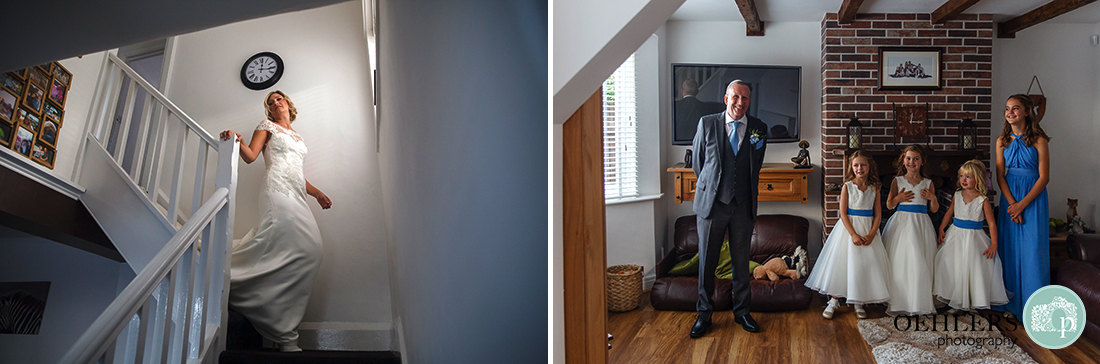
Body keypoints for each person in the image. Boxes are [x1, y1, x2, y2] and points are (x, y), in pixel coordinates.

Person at [220, 90, 332, 352]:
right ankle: (284, 334)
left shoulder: (298, 136)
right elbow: (250, 156)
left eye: (278, 99)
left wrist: (317, 194)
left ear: (288, 104)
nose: (275, 103)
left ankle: (277, 319)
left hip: (296, 192)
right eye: (270, 103)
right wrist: (238, 140)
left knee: (311, 250)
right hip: (276, 190)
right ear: (269, 111)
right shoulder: (266, 126)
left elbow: (296, 172)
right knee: (288, 241)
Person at [689, 80, 767, 338]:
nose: (740, 102)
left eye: (745, 98)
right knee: (707, 263)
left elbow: (755, 164)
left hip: (743, 206)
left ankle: (742, 312)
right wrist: (714, 189)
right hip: (712, 206)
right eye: (736, 97)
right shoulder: (707, 123)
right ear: (726, 99)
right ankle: (704, 315)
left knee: (741, 262)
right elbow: (699, 164)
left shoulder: (759, 128)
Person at [805, 150, 891, 320]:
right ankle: (834, 301)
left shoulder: (875, 187)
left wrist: (873, 233)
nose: (860, 168)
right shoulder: (847, 186)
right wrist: (853, 234)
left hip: (868, 230)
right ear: (852, 167)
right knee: (843, 264)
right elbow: (843, 214)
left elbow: (878, 214)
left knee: (863, 265)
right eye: (856, 165)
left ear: (870, 166)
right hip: (848, 230)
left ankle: (858, 301)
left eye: (863, 165)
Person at [995, 94, 1050, 318]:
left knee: (1032, 251)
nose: (1010, 112)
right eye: (1007, 108)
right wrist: (1012, 205)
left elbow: (1044, 177)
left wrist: (1022, 205)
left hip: (1033, 198)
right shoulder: (1001, 141)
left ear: (1027, 112)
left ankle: (1034, 309)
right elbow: (1000, 176)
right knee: (1009, 250)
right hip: (1009, 196)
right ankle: (1010, 303)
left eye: (1015, 108)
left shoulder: (1039, 141)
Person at [933, 160, 1010, 312]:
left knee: (973, 269)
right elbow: (949, 213)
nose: (963, 180)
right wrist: (942, 228)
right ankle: (955, 300)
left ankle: (971, 300)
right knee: (954, 265)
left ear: (978, 179)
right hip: (955, 235)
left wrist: (994, 244)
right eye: (961, 176)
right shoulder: (957, 195)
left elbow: (992, 223)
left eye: (968, 177)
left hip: (975, 239)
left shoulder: (983, 200)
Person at [881, 145, 939, 316]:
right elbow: (889, 204)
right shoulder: (897, 181)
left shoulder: (928, 183)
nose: (911, 162)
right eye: (908, 158)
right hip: (901, 223)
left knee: (920, 261)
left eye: (916, 159)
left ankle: (919, 300)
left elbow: (934, 210)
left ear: (922, 162)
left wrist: (933, 198)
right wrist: (898, 198)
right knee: (902, 261)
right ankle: (901, 300)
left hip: (921, 223)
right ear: (903, 161)